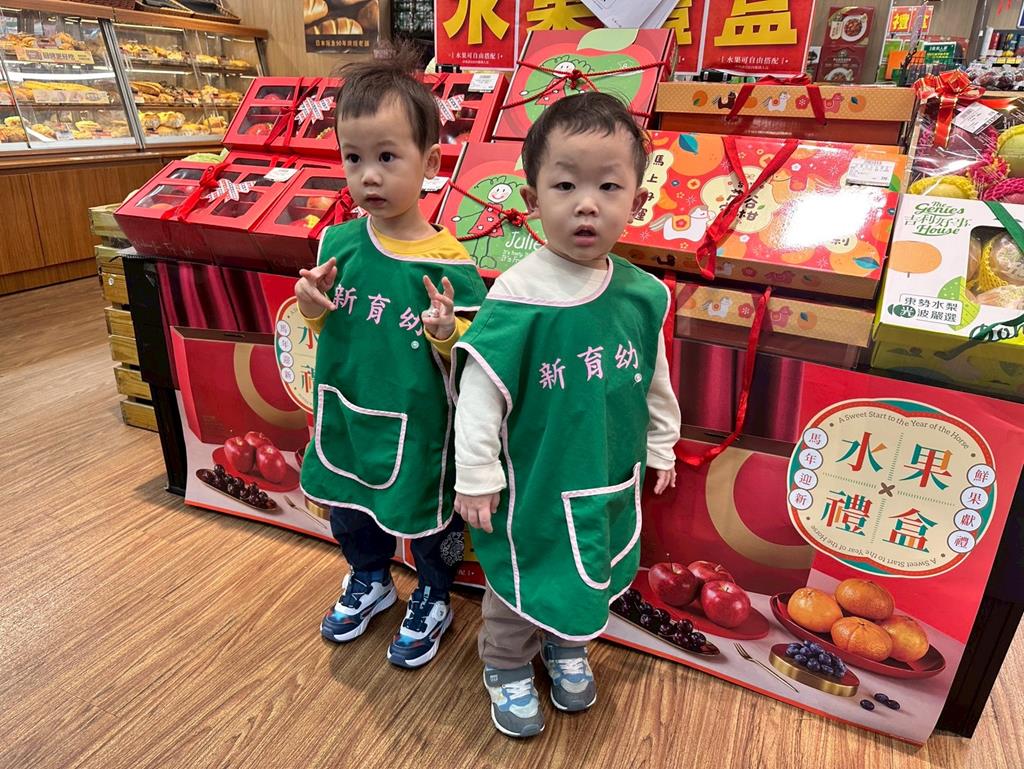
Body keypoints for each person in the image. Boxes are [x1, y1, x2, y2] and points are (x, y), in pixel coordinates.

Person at [450, 92, 681, 737]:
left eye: (608, 186)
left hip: (605, 472)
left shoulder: (642, 294)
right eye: (565, 185)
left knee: (590, 568)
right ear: (532, 200)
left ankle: (567, 643)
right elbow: (481, 391)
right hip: (535, 478)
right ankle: (505, 663)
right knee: (527, 570)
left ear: (637, 200)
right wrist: (476, 474)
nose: (587, 204)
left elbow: (654, 378)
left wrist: (661, 444)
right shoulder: (518, 295)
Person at [296, 46, 486, 669]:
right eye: (354, 158)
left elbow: (474, 358)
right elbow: (323, 320)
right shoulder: (338, 242)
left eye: (387, 157)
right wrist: (312, 304)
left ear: (430, 162)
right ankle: (370, 577)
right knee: (350, 505)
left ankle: (433, 594)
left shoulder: (449, 263)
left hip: (418, 423)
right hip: (348, 407)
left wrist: (446, 331)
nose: (368, 177)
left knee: (428, 518)